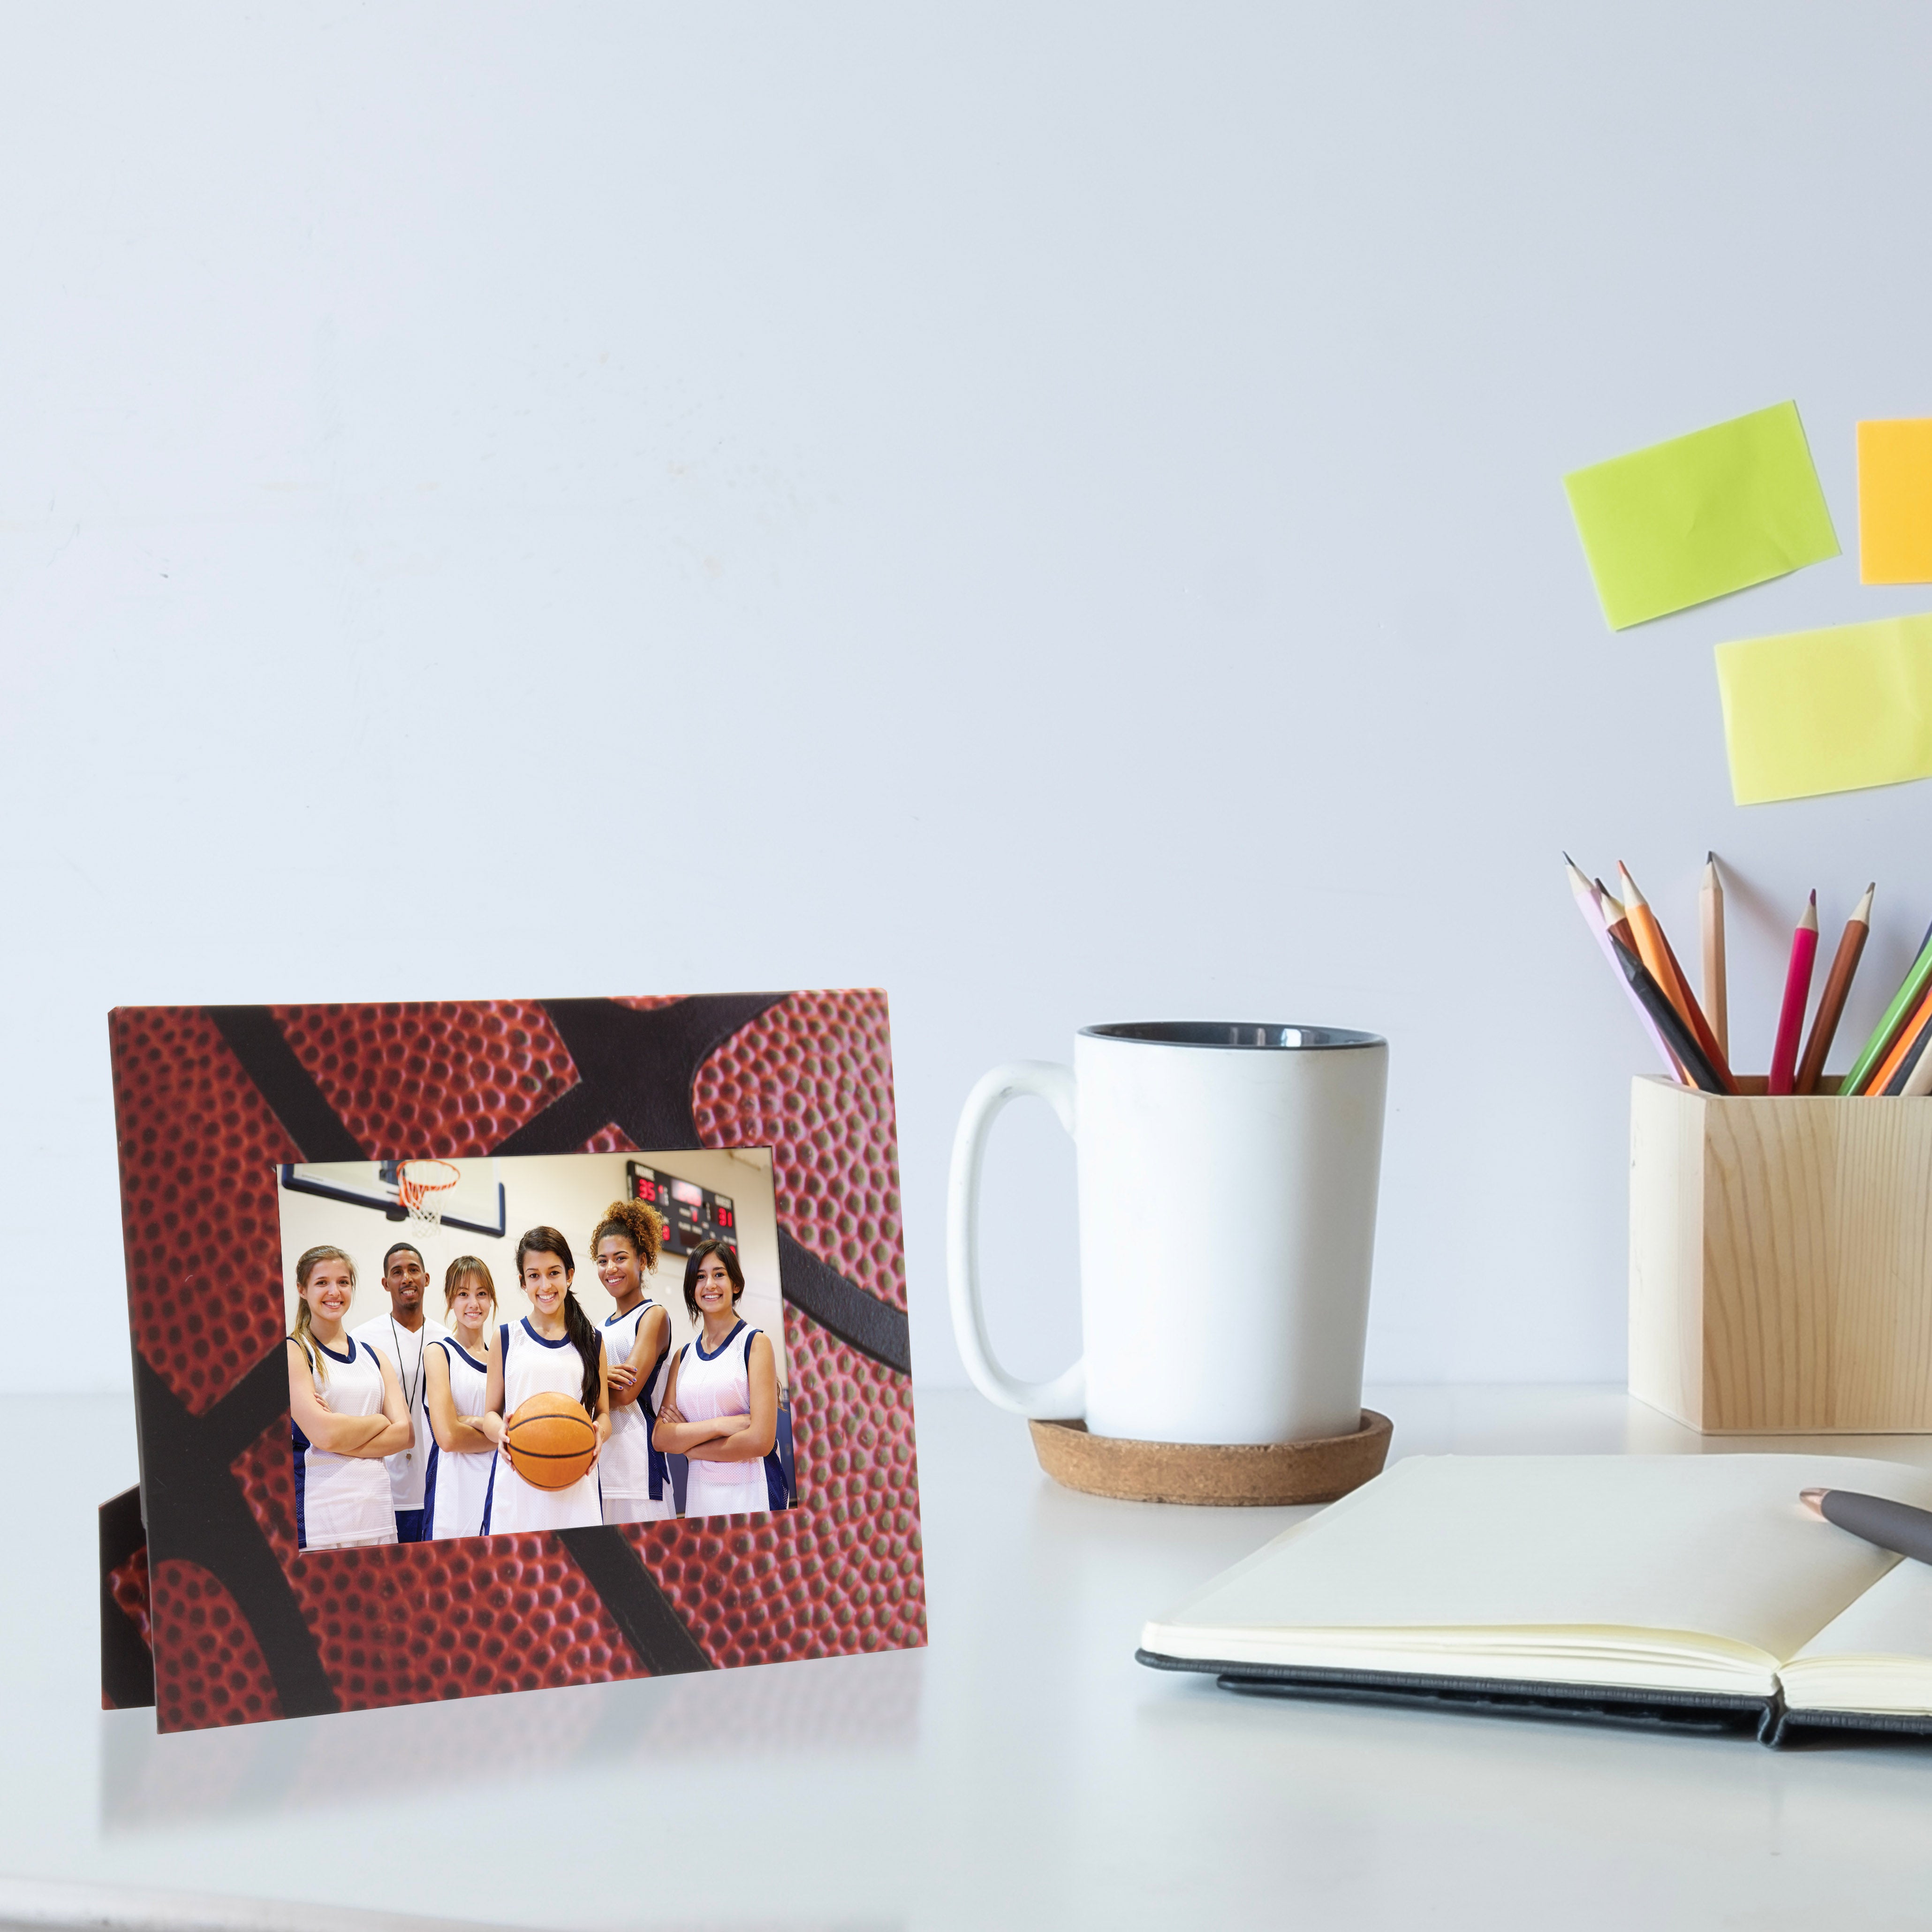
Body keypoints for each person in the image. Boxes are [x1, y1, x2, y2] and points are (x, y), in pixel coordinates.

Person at [480, 1227, 609, 1532]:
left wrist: (598, 1434)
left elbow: (604, 1413)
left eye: (553, 1272)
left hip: (577, 1480)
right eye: (534, 1275)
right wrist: (502, 1432)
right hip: (518, 1483)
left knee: (577, 1578)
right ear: (523, 1282)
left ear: (570, 1275)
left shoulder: (592, 1341)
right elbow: (489, 1415)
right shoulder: (506, 1337)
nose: (545, 1284)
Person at [286, 1245, 414, 1551]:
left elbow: (406, 1434)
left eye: (343, 1282)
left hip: (378, 1511)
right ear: (302, 1289)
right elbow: (324, 1434)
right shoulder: (294, 1351)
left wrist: (339, 1434)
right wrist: (380, 1420)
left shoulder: (375, 1357)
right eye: (322, 1282)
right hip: (322, 1518)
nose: (335, 1291)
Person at [652, 1238, 786, 1518]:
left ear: (736, 1285)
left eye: (719, 1274)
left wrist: (690, 1448)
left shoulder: (756, 1344)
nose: (709, 1284)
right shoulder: (683, 1356)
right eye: (700, 1277)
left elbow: (760, 1441)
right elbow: (662, 1438)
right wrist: (722, 1425)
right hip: (701, 1496)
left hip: (754, 1492)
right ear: (692, 1288)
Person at [348, 1241, 450, 1543]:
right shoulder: (362, 1340)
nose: (406, 1278)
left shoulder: (447, 1340)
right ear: (385, 1283)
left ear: (427, 1279)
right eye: (397, 1272)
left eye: (413, 1270)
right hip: (382, 1489)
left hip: (437, 1486)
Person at [591, 1197, 676, 1523]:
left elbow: (626, 1392)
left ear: (642, 1260)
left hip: (639, 1471)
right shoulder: (598, 1327)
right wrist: (600, 1379)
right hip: (600, 1466)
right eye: (602, 1260)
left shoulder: (654, 1316)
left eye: (620, 1258)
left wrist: (592, 1384)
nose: (610, 1268)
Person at [423, 1258, 498, 1541]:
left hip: (496, 1484)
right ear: (450, 1300)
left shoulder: (502, 1359)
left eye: (482, 1294)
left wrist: (468, 1421)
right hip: (453, 1491)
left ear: (491, 1300)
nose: (473, 1303)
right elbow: (449, 1438)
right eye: (463, 1294)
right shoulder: (439, 1352)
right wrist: (499, 1436)